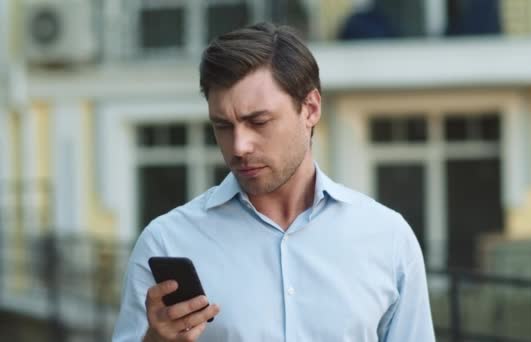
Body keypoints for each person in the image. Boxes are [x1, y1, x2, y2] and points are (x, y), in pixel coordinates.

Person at [112, 22, 435, 342]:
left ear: (310, 109)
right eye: (223, 126)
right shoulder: (166, 241)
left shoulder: (388, 238)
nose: (239, 146)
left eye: (259, 121)